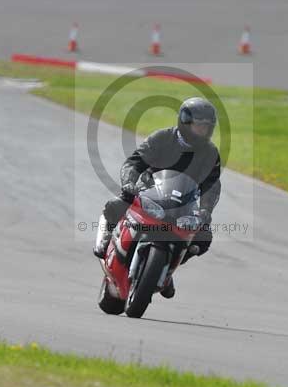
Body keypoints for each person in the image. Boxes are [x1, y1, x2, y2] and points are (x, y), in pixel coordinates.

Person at [93, 97, 222, 299]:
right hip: (149, 190)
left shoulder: (210, 152)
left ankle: (169, 271)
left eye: (206, 127)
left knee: (204, 237)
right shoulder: (162, 138)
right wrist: (129, 183)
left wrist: (206, 210)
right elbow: (133, 163)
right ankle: (105, 239)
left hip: (183, 202)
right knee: (115, 205)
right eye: (198, 126)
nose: (202, 131)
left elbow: (212, 185)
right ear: (185, 122)